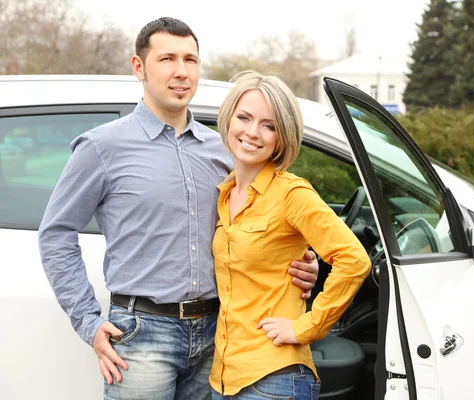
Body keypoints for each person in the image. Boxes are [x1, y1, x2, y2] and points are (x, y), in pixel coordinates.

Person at [38, 17, 318, 400]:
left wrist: (303, 261)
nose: (181, 71)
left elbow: (263, 220)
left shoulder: (224, 150)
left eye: (191, 59)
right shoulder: (102, 148)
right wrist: (87, 320)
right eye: (167, 58)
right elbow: (56, 233)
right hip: (141, 335)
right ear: (139, 67)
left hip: (219, 333)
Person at [209, 71, 371, 399]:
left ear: (282, 137)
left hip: (274, 378)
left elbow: (353, 260)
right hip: (225, 377)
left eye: (269, 125)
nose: (252, 132)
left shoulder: (292, 194)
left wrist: (306, 327)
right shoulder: (225, 194)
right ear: (228, 120)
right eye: (244, 117)